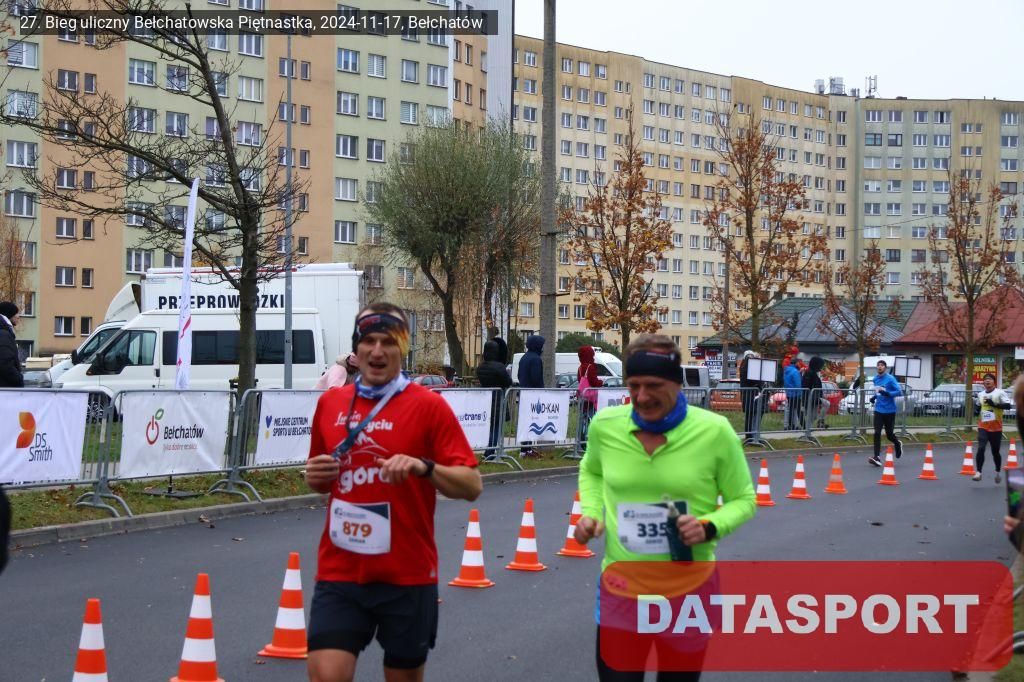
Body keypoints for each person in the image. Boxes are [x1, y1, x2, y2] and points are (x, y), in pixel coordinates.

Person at [303, 303, 483, 682]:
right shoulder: (330, 404)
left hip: (407, 575)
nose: (377, 351)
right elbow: (320, 480)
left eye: (388, 342)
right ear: (356, 349)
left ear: (402, 348)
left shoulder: (428, 406)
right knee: (326, 675)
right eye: (369, 341)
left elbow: (471, 485)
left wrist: (424, 467)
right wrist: (315, 477)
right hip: (341, 571)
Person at [574, 334, 756, 682]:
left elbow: (744, 499)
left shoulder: (714, 432)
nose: (642, 397)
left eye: (654, 386)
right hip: (621, 593)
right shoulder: (606, 426)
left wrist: (709, 526)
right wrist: (592, 512)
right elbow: (591, 470)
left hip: (688, 594)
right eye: (634, 386)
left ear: (677, 383)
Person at [972, 373, 1013, 483]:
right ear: (983, 383)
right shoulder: (981, 394)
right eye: (985, 379)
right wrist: (976, 411)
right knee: (981, 447)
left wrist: (994, 404)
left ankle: (997, 471)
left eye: (989, 379)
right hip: (983, 426)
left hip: (996, 428)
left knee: (995, 452)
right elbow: (978, 405)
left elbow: (1008, 406)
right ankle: (978, 472)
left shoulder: (1000, 393)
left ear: (994, 382)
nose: (987, 381)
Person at [476, 338, 512, 452]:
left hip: (485, 400)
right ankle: (490, 452)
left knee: (489, 427)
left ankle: (490, 451)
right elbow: (508, 382)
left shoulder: (480, 367)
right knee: (496, 428)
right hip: (498, 400)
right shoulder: (499, 367)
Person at [868, 359, 902, 466]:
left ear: (885, 368)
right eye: (878, 365)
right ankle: (877, 457)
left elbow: (899, 391)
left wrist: (888, 394)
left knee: (889, 435)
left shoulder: (890, 379)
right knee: (877, 432)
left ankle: (897, 443)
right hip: (879, 409)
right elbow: (878, 392)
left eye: (882, 365)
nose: (880, 367)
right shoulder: (875, 379)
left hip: (890, 410)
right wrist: (874, 397)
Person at [517, 335, 545, 458]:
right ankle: (525, 450)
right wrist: (541, 391)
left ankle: (526, 448)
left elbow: (519, 375)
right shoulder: (536, 359)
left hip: (524, 393)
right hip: (533, 395)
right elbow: (536, 378)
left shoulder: (524, 357)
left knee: (526, 422)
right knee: (531, 422)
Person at [577, 345, 605, 443]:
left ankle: (581, 439)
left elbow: (580, 380)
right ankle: (593, 439)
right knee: (593, 418)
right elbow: (594, 382)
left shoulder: (580, 367)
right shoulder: (590, 367)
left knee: (583, 419)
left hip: (582, 397)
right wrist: (601, 382)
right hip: (591, 399)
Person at [738, 350, 765, 440]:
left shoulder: (744, 365)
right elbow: (752, 379)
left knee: (750, 415)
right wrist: (759, 383)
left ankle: (750, 435)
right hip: (751, 394)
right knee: (751, 415)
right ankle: (750, 435)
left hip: (749, 394)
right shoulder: (747, 366)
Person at [0, 301, 24, 388]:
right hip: (6, 390)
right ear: (9, 314)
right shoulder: (3, 334)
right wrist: (19, 380)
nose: (18, 316)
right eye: (16, 313)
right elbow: (5, 364)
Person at [801, 356, 827, 430]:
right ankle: (809, 429)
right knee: (812, 414)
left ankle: (809, 428)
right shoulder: (809, 373)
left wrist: (820, 394)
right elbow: (806, 386)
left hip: (814, 397)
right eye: (820, 365)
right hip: (811, 397)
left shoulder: (813, 373)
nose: (821, 367)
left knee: (813, 415)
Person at [782, 355, 803, 430]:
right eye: (798, 363)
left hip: (789, 393)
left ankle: (791, 425)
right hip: (796, 393)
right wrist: (801, 393)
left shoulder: (786, 371)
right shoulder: (795, 371)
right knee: (798, 410)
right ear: (796, 363)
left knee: (791, 410)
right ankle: (804, 425)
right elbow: (798, 384)